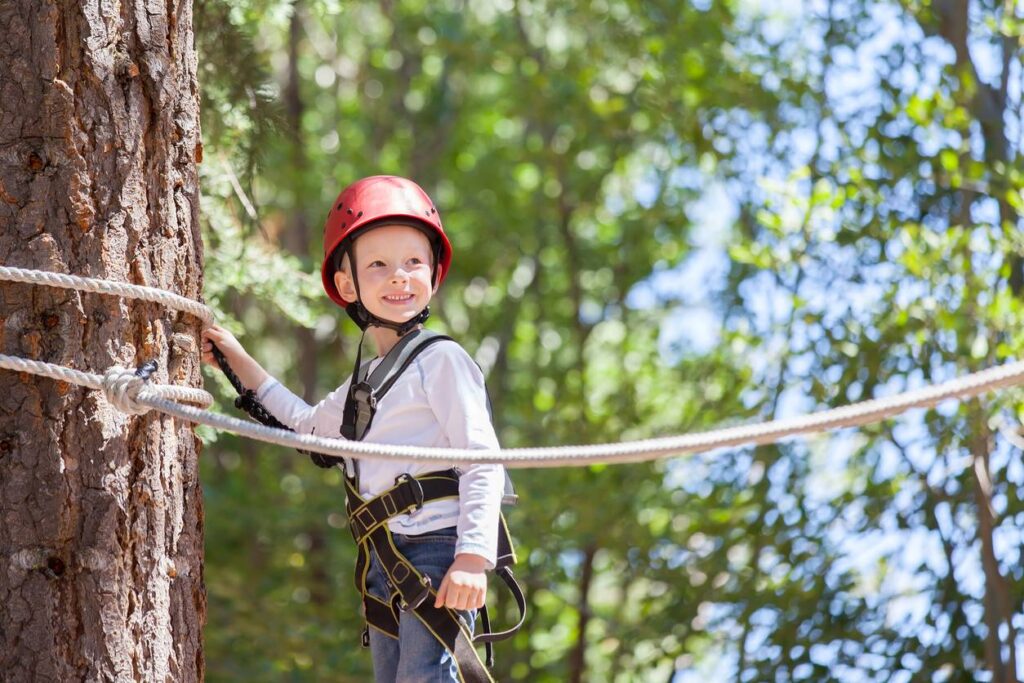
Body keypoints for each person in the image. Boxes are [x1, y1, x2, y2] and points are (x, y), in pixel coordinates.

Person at [201, 175, 508, 682]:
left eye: (413, 262)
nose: (399, 278)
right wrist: (238, 361)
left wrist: (474, 558)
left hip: (436, 549)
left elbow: (483, 458)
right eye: (379, 265)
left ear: (433, 272)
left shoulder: (442, 360)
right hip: (384, 560)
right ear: (348, 285)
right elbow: (304, 426)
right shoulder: (363, 385)